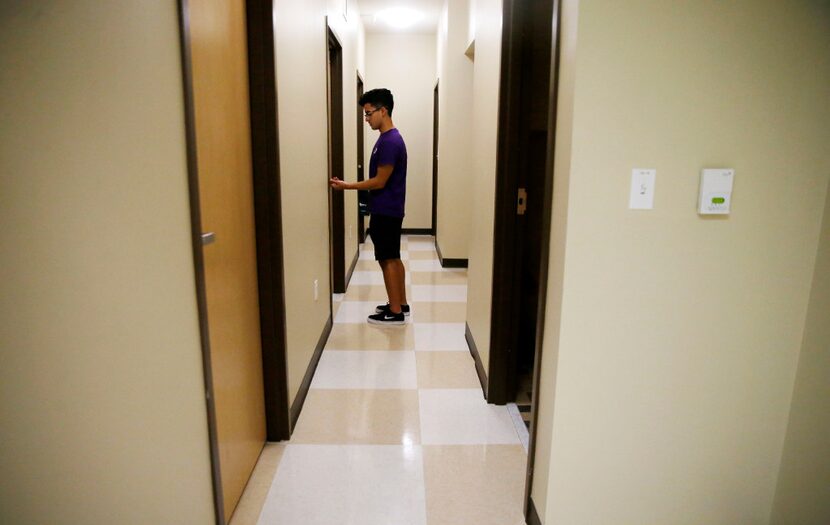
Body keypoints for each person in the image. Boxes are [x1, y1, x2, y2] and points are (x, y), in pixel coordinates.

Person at [330, 88, 409, 325]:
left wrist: (347, 186)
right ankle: (400, 303)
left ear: (383, 111)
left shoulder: (390, 142)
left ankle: (395, 312)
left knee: (387, 259)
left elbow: (379, 181)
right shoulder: (387, 139)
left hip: (386, 209)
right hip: (389, 208)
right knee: (393, 257)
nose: (366, 119)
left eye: (368, 113)